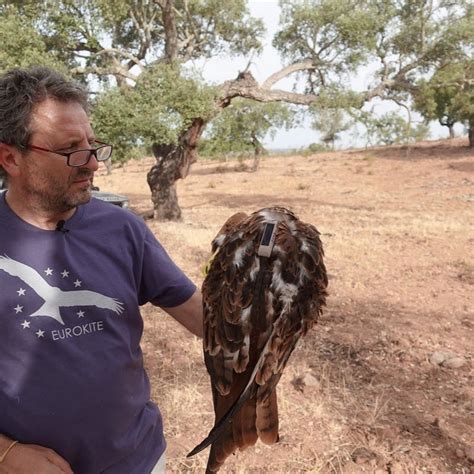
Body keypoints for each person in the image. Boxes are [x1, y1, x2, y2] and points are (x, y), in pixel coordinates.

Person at [0, 66, 203, 473]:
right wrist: (6, 454)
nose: (93, 164)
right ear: (10, 157)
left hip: (139, 460)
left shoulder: (122, 228)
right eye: (71, 149)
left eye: (93, 146)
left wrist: (272, 305)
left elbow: (209, 321)